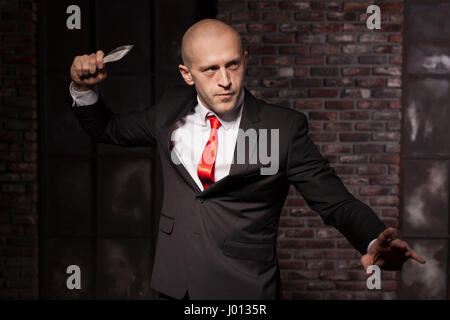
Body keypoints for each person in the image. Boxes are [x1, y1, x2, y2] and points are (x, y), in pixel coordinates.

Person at [68, 19, 425, 300]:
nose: (225, 81)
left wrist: (373, 239)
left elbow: (337, 204)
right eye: (210, 70)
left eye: (233, 65)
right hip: (175, 286)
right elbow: (109, 129)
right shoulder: (168, 110)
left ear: (245, 61)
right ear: (187, 74)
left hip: (244, 292)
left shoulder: (282, 128)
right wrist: (84, 89)